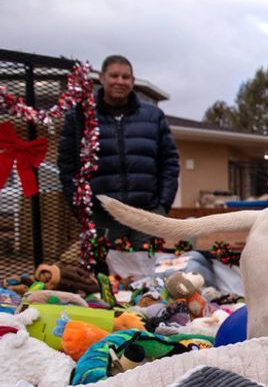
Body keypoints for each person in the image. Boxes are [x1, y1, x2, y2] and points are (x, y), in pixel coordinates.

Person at [58, 54, 179, 250]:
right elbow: (67, 166)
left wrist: (162, 206)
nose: (120, 81)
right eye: (114, 76)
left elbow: (170, 163)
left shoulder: (153, 116)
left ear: (132, 81)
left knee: (146, 275)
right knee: (104, 277)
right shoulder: (80, 116)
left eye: (125, 77)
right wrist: (82, 208)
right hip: (102, 217)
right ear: (102, 78)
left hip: (146, 216)